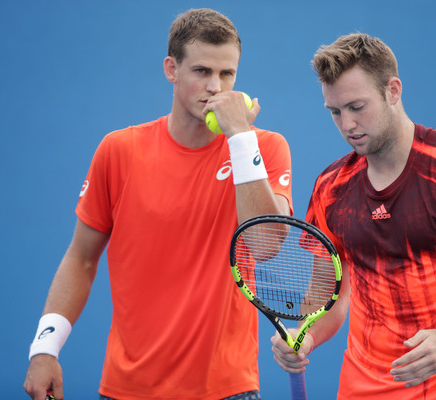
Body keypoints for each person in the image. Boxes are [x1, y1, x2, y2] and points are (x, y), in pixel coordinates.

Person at [24, 8, 292, 400]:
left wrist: (239, 138)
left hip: (228, 389)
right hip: (128, 388)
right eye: (202, 71)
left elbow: (266, 246)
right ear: (172, 69)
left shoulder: (263, 147)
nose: (216, 87)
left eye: (227, 74)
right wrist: (45, 347)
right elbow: (81, 258)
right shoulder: (118, 151)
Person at [271, 33, 436, 399]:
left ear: (393, 90)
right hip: (363, 388)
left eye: (357, 106)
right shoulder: (331, 188)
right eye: (335, 112)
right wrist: (304, 336)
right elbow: (328, 299)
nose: (347, 124)